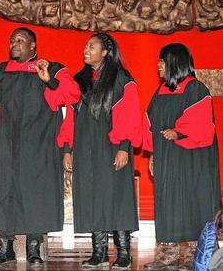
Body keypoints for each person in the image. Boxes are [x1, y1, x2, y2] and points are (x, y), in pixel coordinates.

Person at [0, 27, 80, 267]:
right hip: (7, 143)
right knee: (5, 191)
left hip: (39, 144)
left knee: (36, 193)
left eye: (20, 40)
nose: (14, 43)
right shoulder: (1, 71)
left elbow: (72, 95)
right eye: (12, 40)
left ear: (33, 46)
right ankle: (5, 247)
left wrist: (49, 80)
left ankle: (34, 248)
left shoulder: (51, 68)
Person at [61, 33, 142, 270]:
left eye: (92, 46)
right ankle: (99, 252)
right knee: (92, 196)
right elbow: (69, 120)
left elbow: (130, 114)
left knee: (117, 197)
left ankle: (124, 252)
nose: (86, 49)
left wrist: (124, 147)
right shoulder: (78, 80)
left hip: (112, 147)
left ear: (105, 52)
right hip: (86, 148)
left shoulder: (121, 78)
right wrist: (68, 149)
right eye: (86, 46)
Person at [143, 43, 221, 271]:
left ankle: (192, 257)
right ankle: (167, 257)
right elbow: (149, 122)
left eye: (162, 61)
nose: (158, 65)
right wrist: (152, 153)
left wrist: (179, 132)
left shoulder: (196, 89)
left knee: (192, 203)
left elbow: (204, 126)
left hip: (192, 159)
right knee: (168, 205)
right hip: (168, 158)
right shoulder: (161, 92)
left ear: (175, 63)